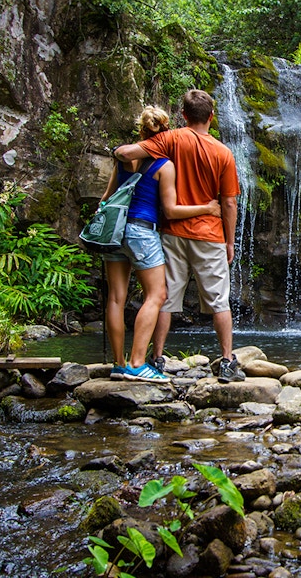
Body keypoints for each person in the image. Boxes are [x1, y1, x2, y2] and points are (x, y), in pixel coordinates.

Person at [114, 89, 245, 383]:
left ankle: (157, 358)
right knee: (219, 302)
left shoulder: (171, 139)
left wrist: (119, 154)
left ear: (183, 115)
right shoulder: (224, 153)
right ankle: (226, 360)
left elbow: (127, 153)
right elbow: (229, 202)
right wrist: (230, 240)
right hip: (210, 235)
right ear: (212, 117)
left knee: (166, 300)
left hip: (171, 233)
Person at [101, 106, 220, 383]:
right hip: (141, 231)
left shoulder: (122, 159)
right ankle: (138, 362)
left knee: (116, 298)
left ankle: (119, 364)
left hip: (115, 232)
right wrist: (207, 207)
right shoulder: (164, 166)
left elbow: (106, 198)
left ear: (141, 130)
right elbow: (170, 210)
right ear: (165, 133)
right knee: (156, 294)